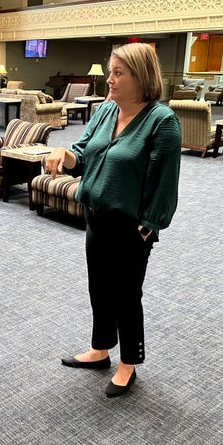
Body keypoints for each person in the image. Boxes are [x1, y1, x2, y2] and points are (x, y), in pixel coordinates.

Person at [45, 43, 181, 398]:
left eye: (118, 73)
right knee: (99, 288)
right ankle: (100, 349)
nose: (110, 80)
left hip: (131, 227)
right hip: (95, 217)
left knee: (125, 296)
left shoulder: (162, 122)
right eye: (111, 71)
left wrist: (148, 227)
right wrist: (65, 154)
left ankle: (128, 364)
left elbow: (164, 186)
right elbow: (83, 154)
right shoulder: (106, 111)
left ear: (141, 77)